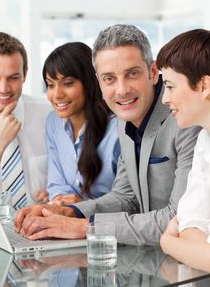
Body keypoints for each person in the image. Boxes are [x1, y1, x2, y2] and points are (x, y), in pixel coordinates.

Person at [14, 24, 200, 245]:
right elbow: (125, 197)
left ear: (152, 72)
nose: (121, 90)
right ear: (99, 82)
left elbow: (179, 219)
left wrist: (86, 227)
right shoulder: (125, 119)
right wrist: (69, 212)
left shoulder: (185, 119)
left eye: (132, 74)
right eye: (109, 78)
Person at [37, 42, 120, 205]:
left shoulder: (118, 128)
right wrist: (60, 201)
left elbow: (129, 200)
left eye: (67, 83)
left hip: (105, 225)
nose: (57, 95)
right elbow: (57, 184)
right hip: (64, 219)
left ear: (89, 82)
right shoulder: (53, 122)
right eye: (50, 85)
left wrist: (83, 204)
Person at [156, 29, 210, 273]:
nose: (165, 99)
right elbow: (188, 222)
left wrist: (168, 243)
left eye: (170, 86)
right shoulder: (204, 139)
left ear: (204, 84)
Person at [0, 32, 51, 208]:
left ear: (24, 75)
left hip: (43, 227)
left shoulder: (50, 114)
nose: (3, 88)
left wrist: (60, 193)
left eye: (13, 77)